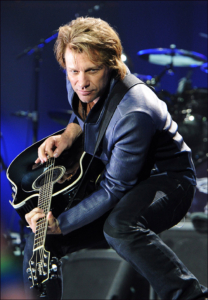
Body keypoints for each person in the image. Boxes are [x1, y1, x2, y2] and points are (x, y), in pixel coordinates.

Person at [23, 17, 208, 299]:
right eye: (73, 71)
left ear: (111, 64)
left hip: (168, 180)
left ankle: (191, 295)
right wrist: (69, 135)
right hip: (118, 175)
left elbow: (115, 189)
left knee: (119, 228)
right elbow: (83, 112)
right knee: (40, 240)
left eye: (92, 71)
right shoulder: (78, 75)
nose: (81, 82)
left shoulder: (134, 111)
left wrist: (61, 223)